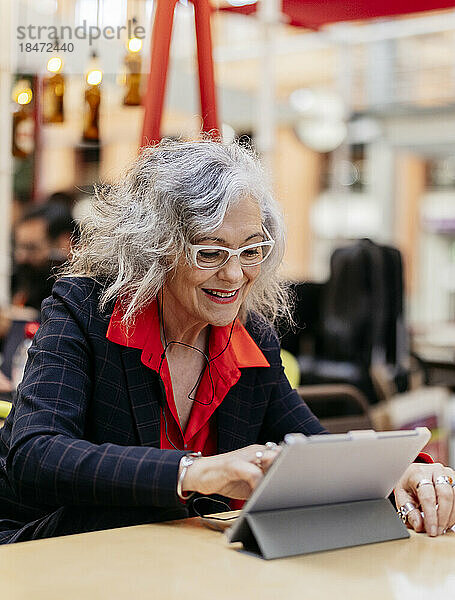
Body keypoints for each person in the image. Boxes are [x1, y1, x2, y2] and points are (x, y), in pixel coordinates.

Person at [0, 139, 453, 544]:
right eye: (210, 253)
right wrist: (194, 472)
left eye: (252, 250)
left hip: (171, 559)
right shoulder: (85, 309)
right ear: (154, 248)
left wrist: (398, 476)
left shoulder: (249, 333)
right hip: (53, 547)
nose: (235, 275)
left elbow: (311, 447)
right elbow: (36, 453)